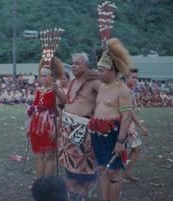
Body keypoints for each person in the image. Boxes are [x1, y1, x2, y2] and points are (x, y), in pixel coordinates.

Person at [88, 38, 133, 201]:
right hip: (97, 134)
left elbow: (127, 118)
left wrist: (120, 141)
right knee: (101, 169)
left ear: (111, 70)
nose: (98, 72)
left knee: (114, 172)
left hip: (113, 135)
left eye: (101, 70)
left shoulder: (123, 91)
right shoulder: (101, 86)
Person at [57, 53, 100, 201]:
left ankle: (82, 197)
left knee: (85, 173)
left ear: (86, 66)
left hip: (84, 132)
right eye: (72, 63)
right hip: (67, 131)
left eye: (77, 63)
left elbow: (109, 94)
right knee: (70, 171)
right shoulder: (73, 82)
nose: (73, 65)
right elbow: (67, 102)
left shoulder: (95, 82)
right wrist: (55, 89)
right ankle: (72, 196)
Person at [27, 57, 64, 177]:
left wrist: (57, 129)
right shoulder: (38, 91)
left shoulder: (55, 90)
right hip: (37, 126)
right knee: (39, 155)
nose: (42, 78)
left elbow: (60, 110)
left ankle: (49, 183)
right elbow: (33, 109)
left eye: (45, 76)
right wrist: (28, 126)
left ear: (52, 77)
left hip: (50, 125)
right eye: (41, 76)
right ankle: (39, 182)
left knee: (49, 154)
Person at [122, 68, 148, 182]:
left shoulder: (129, 90)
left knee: (129, 149)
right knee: (136, 148)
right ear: (126, 78)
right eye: (133, 77)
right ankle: (125, 172)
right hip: (126, 124)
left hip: (128, 123)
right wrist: (141, 126)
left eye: (137, 78)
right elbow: (129, 111)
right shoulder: (125, 91)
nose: (136, 80)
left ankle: (124, 172)